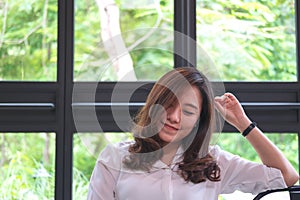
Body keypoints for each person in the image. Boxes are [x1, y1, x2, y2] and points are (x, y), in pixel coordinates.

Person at [87, 67, 299, 200]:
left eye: (188, 111)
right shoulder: (115, 158)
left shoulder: (214, 162)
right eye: (168, 105)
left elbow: (287, 176)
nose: (175, 117)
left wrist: (243, 124)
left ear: (199, 120)